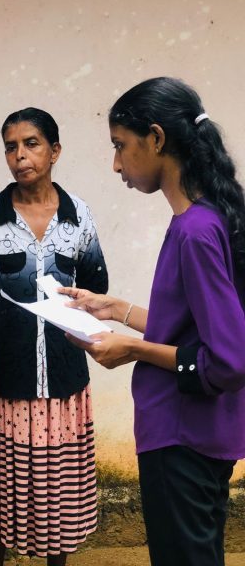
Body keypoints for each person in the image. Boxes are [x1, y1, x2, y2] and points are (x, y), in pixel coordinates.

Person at [61, 77, 245, 566]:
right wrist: (116, 309)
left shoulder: (194, 232)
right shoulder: (208, 219)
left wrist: (132, 349)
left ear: (157, 139)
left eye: (120, 145)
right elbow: (200, 326)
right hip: (203, 434)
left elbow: (228, 361)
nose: (116, 163)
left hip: (181, 438)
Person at [0, 108, 109, 566]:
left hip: (62, 382)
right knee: (0, 487)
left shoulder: (79, 217)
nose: (20, 155)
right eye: (11, 147)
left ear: (55, 151)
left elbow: (97, 293)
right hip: (5, 382)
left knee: (58, 492)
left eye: (31, 144)